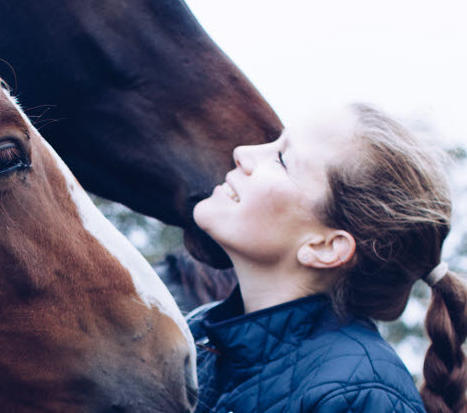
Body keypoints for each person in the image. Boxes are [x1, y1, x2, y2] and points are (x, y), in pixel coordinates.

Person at [187, 103, 466, 413]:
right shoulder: (196, 334)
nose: (243, 152)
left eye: (282, 160)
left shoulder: (360, 395)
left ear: (326, 246)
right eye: (275, 141)